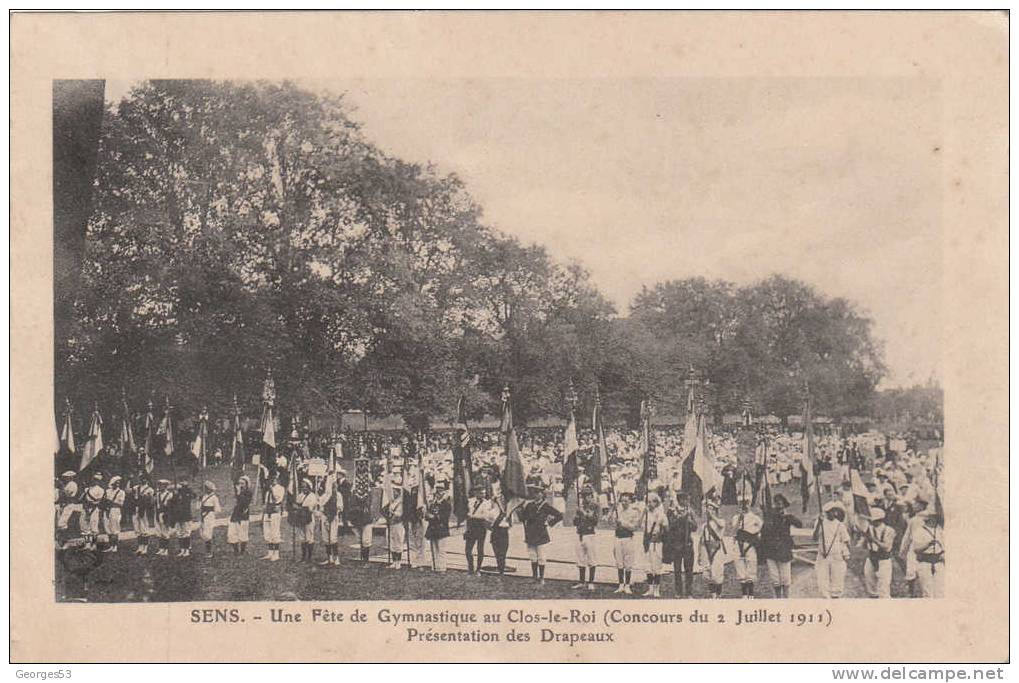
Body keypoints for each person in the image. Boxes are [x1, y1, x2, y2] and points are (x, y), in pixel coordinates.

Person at [518, 484, 563, 583]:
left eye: (538, 493)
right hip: (530, 533)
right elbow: (522, 518)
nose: (536, 495)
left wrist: (550, 523)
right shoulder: (529, 505)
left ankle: (542, 577)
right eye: (534, 493)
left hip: (541, 534)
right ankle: (534, 577)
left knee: (541, 556)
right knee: (533, 556)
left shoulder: (545, 506)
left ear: (542, 494)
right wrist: (520, 510)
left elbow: (559, 515)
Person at [760, 493, 802, 598]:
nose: (778, 506)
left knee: (785, 578)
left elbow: (799, 524)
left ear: (784, 505)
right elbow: (764, 531)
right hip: (771, 550)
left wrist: (788, 517)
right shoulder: (770, 516)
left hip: (784, 549)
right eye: (776, 504)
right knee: (775, 578)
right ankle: (778, 599)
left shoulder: (787, 517)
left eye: (780, 504)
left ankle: (786, 599)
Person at [814, 501, 851, 599]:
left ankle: (836, 600)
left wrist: (847, 554)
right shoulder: (820, 522)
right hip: (823, 555)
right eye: (831, 511)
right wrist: (819, 524)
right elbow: (814, 538)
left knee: (837, 580)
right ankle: (826, 600)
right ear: (826, 512)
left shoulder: (840, 525)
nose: (834, 513)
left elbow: (846, 540)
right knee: (822, 582)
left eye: (835, 511)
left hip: (836, 555)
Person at [666, 491, 699, 598]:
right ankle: (678, 591)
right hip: (676, 544)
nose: (686, 502)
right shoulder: (672, 511)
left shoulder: (690, 511)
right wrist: (682, 518)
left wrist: (689, 521)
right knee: (677, 570)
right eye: (685, 500)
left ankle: (689, 592)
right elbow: (670, 526)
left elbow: (695, 527)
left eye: (687, 500)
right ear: (680, 500)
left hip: (688, 543)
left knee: (689, 569)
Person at [906, 509, 944, 598]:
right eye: (933, 517)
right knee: (927, 592)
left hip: (938, 562)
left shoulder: (940, 531)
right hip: (925, 562)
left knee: (940, 591)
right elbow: (916, 549)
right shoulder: (919, 532)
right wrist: (927, 545)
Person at [732, 493, 763, 598]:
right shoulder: (736, 517)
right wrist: (740, 519)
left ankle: (751, 593)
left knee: (751, 566)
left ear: (749, 504)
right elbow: (734, 531)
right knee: (740, 568)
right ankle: (744, 593)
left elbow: (761, 529)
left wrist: (757, 536)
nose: (744, 506)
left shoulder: (755, 518)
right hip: (739, 544)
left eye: (746, 503)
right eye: (741, 503)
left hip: (750, 544)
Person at [698, 499, 731, 598]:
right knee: (707, 573)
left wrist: (712, 516)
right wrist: (699, 553)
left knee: (717, 573)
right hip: (706, 549)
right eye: (707, 509)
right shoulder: (704, 526)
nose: (709, 511)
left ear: (715, 511)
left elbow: (721, 525)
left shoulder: (720, 522)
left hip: (717, 548)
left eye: (711, 509)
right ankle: (713, 594)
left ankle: (719, 594)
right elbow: (701, 540)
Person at [861, 507, 895, 598]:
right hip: (872, 557)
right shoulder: (869, 529)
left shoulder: (889, 530)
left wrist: (873, 540)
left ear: (879, 520)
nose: (871, 522)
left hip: (883, 559)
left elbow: (887, 547)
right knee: (870, 582)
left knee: (884, 585)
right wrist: (865, 540)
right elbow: (864, 546)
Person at [611, 492, 641, 594]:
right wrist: (613, 515)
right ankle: (620, 584)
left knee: (628, 562)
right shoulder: (618, 510)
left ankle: (627, 585)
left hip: (628, 538)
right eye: (622, 500)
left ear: (630, 501)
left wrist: (623, 523)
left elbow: (634, 527)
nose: (623, 503)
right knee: (619, 562)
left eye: (626, 501)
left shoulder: (634, 512)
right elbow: (612, 523)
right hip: (618, 538)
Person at [572, 484, 600, 591]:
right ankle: (581, 581)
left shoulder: (594, 506)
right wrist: (577, 515)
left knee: (591, 558)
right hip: (580, 533)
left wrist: (583, 512)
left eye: (586, 495)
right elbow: (575, 522)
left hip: (589, 533)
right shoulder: (581, 506)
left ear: (591, 495)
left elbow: (594, 521)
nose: (584, 498)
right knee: (580, 558)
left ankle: (591, 582)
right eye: (583, 495)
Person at [464, 483, 495, 575]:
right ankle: (470, 568)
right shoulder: (470, 501)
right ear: (476, 493)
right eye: (481, 493)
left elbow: (485, 516)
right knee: (468, 549)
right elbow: (467, 512)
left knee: (480, 549)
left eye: (484, 493)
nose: (483, 495)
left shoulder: (487, 503)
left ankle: (478, 569)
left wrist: (472, 516)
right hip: (471, 526)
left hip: (480, 526)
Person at [643, 491, 669, 597]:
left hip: (657, 542)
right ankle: (650, 588)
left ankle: (656, 589)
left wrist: (660, 532)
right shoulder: (647, 514)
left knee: (657, 566)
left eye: (651, 502)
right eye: (648, 502)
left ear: (656, 503)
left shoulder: (661, 514)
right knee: (648, 566)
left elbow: (667, 528)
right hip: (647, 541)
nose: (649, 504)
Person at [424, 482, 452, 572]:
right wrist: (427, 515)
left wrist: (435, 517)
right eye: (437, 492)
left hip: (441, 527)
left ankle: (442, 567)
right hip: (432, 527)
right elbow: (428, 514)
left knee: (441, 549)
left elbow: (445, 517)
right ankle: (435, 566)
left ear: (444, 493)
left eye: (441, 492)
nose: (438, 494)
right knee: (433, 548)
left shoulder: (446, 504)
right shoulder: (433, 503)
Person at [317, 474, 343, 566]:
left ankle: (336, 558)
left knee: (333, 538)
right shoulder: (325, 496)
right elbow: (320, 505)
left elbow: (340, 507)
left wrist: (333, 513)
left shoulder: (338, 495)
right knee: (326, 538)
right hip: (325, 517)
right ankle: (329, 557)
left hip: (333, 517)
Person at [261, 474, 286, 561]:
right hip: (268, 511)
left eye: (273, 478)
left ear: (277, 479)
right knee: (267, 532)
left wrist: (272, 491)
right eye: (270, 479)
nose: (272, 480)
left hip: (275, 511)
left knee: (275, 531)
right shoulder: (268, 490)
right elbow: (266, 501)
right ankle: (270, 552)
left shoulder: (280, 488)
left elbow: (276, 500)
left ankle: (276, 553)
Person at [383, 474, 406, 569]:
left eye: (396, 491)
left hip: (398, 523)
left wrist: (392, 517)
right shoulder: (391, 501)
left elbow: (399, 514)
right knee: (391, 541)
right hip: (391, 523)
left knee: (398, 541)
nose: (394, 493)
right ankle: (394, 561)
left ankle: (399, 561)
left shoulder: (401, 502)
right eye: (393, 491)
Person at [293, 478, 318, 562]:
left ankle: (309, 557)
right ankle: (303, 556)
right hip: (301, 518)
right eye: (302, 487)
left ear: (309, 487)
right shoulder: (300, 495)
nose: (304, 488)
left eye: (305, 487)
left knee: (309, 537)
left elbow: (310, 509)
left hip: (308, 518)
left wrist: (299, 507)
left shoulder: (312, 496)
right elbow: (296, 504)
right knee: (302, 537)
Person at [489, 493, 512, 574]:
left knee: (503, 551)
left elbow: (510, 523)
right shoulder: (493, 510)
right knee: (496, 551)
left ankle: (501, 569)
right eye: (499, 499)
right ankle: (500, 568)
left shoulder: (508, 510)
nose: (501, 501)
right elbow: (488, 520)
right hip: (495, 531)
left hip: (503, 531)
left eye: (503, 499)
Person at [228, 476, 252, 555]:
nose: (241, 485)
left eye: (242, 483)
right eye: (239, 483)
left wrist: (238, 493)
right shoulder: (239, 492)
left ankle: (242, 551)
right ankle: (235, 550)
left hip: (243, 514)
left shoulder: (248, 492)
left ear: (246, 484)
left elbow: (244, 503)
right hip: (236, 513)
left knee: (243, 532)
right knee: (232, 532)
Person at [102, 475, 126, 553]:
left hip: (115, 510)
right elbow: (104, 501)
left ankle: (115, 546)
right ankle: (111, 546)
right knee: (108, 528)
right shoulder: (107, 491)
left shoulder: (121, 492)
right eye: (116, 483)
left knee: (115, 528)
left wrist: (111, 502)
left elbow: (120, 504)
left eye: (119, 483)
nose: (117, 484)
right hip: (107, 510)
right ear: (112, 483)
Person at [171, 481, 195, 557]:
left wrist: (187, 489)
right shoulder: (177, 494)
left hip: (186, 516)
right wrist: (175, 495)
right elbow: (173, 503)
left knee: (186, 533)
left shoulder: (188, 493)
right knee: (180, 533)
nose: (181, 487)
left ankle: (187, 550)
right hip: (178, 516)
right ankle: (182, 550)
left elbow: (193, 496)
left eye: (183, 486)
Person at [132, 478, 155, 555]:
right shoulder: (136, 487)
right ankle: (140, 547)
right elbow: (127, 490)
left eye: (145, 478)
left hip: (144, 509)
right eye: (141, 478)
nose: (143, 480)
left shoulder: (150, 489)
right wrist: (129, 480)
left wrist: (147, 499)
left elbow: (151, 502)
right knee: (137, 528)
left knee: (144, 528)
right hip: (136, 508)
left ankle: (145, 548)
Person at [198, 481, 221, 558]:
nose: (206, 490)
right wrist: (199, 500)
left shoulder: (214, 497)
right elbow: (197, 507)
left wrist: (211, 514)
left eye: (207, 488)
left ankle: (209, 552)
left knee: (208, 533)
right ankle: (208, 548)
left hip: (209, 516)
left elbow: (218, 509)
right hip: (203, 515)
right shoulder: (203, 497)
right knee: (202, 533)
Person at [56, 471, 80, 538]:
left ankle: (64, 538)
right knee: (61, 522)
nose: (65, 478)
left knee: (62, 523)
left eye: (66, 477)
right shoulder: (69, 484)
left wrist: (61, 487)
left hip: (70, 504)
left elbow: (67, 494)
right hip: (67, 504)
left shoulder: (72, 484)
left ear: (70, 477)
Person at [154, 479, 174, 556]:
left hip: (165, 513)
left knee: (165, 532)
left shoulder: (169, 494)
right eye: (159, 485)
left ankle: (166, 549)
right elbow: (155, 504)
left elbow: (171, 506)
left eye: (162, 485)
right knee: (159, 532)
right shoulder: (157, 494)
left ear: (166, 486)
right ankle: (161, 548)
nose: (160, 487)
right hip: (158, 513)